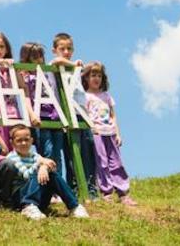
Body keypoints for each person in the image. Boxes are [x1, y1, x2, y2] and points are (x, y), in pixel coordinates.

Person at [4, 124, 89, 220]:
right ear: (12, 143)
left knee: (52, 173)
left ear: (32, 141)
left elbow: (49, 165)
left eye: (26, 140)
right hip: (21, 197)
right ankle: (28, 206)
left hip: (39, 197)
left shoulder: (34, 155)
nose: (24, 143)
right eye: (19, 140)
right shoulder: (11, 158)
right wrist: (41, 165)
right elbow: (26, 175)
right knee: (40, 171)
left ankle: (74, 206)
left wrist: (44, 166)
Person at [50, 32, 98, 198]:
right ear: (54, 50)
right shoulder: (57, 65)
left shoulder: (74, 69)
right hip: (68, 115)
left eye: (69, 48)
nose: (66, 52)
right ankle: (76, 188)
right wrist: (73, 63)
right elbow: (57, 61)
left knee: (89, 152)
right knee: (73, 154)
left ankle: (92, 189)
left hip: (81, 115)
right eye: (62, 48)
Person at [83, 62, 135, 205]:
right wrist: (91, 127)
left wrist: (118, 134)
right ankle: (107, 192)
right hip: (97, 133)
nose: (96, 78)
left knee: (116, 162)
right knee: (102, 162)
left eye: (99, 75)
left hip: (110, 132)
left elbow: (113, 116)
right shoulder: (86, 96)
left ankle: (123, 193)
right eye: (93, 75)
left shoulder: (106, 96)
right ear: (86, 78)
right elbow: (85, 114)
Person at [0, 31, 35, 151]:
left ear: (7, 49)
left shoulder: (10, 68)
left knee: (19, 150)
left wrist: (13, 69)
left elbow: (22, 86)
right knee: (4, 152)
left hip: (15, 116)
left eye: (2, 46)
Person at [19, 42, 60, 158]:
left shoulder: (47, 74)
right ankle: (48, 176)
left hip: (54, 116)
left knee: (57, 153)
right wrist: (32, 115)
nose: (39, 60)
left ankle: (57, 176)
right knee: (47, 150)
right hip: (39, 117)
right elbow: (25, 96)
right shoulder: (25, 76)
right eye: (35, 57)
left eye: (41, 56)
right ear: (27, 59)